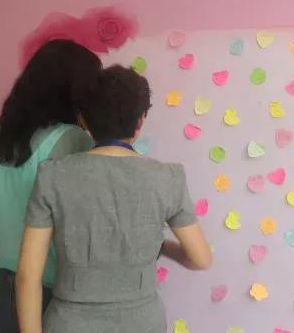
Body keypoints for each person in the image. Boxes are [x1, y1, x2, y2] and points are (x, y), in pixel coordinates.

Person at [16, 65, 212, 333]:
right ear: (140, 120)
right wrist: (160, 247)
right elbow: (200, 259)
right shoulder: (168, 177)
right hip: (142, 323)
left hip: (70, 323)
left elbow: (28, 277)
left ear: (83, 120)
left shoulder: (52, 176)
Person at [0, 39, 102, 333]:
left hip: (2, 284)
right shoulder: (72, 139)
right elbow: (81, 226)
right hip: (48, 286)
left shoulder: (3, 137)